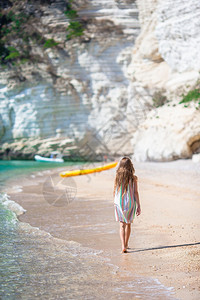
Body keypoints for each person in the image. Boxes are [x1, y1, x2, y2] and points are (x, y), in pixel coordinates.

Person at [113, 156, 141, 253]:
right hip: (130, 202)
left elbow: (115, 189)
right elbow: (136, 192)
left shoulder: (118, 177)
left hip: (119, 202)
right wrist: (139, 206)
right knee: (128, 224)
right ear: (130, 166)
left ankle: (123, 246)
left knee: (121, 225)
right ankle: (126, 243)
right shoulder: (133, 178)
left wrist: (114, 200)